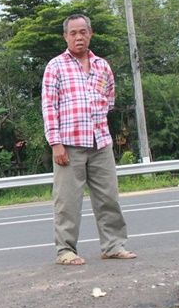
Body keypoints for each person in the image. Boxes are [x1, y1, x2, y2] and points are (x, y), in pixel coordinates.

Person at [41, 14, 136, 266]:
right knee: (67, 201)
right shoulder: (55, 66)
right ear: (65, 37)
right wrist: (55, 143)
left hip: (100, 141)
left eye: (83, 32)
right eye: (73, 33)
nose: (78, 37)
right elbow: (49, 106)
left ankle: (113, 245)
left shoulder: (102, 66)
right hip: (69, 145)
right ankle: (65, 251)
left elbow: (110, 99)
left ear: (90, 33)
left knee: (108, 197)